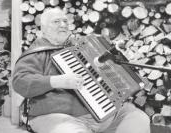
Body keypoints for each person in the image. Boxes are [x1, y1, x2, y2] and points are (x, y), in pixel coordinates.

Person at [12, 7, 150, 133]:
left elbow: (108, 74)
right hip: (58, 116)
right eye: (56, 21)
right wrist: (56, 81)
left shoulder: (83, 46)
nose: (63, 25)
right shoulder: (36, 53)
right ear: (43, 28)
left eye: (65, 21)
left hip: (103, 112)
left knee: (137, 118)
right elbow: (20, 81)